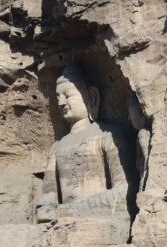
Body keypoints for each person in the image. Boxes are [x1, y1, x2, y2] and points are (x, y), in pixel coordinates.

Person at [36, 65, 136, 224]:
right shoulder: (57, 147)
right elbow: (47, 200)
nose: (61, 102)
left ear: (91, 96)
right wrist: (47, 207)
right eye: (58, 97)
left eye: (67, 95)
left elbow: (125, 192)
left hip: (100, 221)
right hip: (64, 223)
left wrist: (72, 210)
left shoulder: (109, 136)